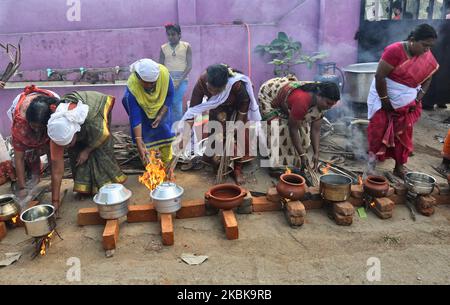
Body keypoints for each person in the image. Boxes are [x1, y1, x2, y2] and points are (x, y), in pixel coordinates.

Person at [367, 24, 439, 179]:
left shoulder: (425, 54)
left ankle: (399, 166)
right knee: (378, 130)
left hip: (408, 102)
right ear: (412, 40)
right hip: (383, 96)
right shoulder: (394, 50)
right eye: (424, 45)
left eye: (430, 46)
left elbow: (428, 77)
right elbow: (380, 76)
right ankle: (371, 165)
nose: (427, 50)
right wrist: (384, 99)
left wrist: (419, 97)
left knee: (404, 133)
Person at [180, 64, 261, 185]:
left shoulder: (236, 85)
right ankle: (218, 167)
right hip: (217, 110)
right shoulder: (202, 82)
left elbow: (244, 105)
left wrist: (235, 128)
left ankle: (237, 170)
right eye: (211, 89)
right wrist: (185, 137)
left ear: (225, 85)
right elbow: (193, 110)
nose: (213, 93)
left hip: (236, 110)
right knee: (216, 137)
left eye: (218, 91)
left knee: (238, 136)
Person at [47, 91, 127, 209]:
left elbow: (103, 135)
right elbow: (57, 172)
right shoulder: (57, 133)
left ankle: (105, 187)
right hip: (76, 121)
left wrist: (87, 151)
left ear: (75, 131)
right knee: (74, 152)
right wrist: (55, 202)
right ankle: (84, 188)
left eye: (68, 143)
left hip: (97, 107)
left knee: (100, 151)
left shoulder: (92, 121)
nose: (66, 147)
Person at [259, 77, 340, 170]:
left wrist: (316, 153)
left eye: (333, 105)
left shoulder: (323, 100)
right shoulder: (302, 100)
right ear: (319, 96)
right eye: (328, 103)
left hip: (292, 100)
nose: (330, 107)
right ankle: (276, 165)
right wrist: (302, 154)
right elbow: (293, 129)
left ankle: (293, 163)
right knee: (279, 130)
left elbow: (316, 130)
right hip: (270, 93)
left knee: (303, 137)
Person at [8, 85, 60, 197]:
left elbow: (53, 156)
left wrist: (54, 182)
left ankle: (51, 178)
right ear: (28, 120)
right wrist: (22, 188)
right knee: (28, 153)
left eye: (40, 127)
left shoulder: (54, 119)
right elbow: (19, 158)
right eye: (33, 126)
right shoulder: (20, 124)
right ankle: (32, 177)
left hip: (48, 117)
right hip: (24, 119)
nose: (36, 130)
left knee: (50, 151)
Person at [122, 58, 175, 165]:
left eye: (153, 83)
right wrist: (139, 141)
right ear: (138, 78)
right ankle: (151, 167)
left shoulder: (164, 75)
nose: (151, 86)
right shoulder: (133, 88)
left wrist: (160, 115)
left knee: (165, 134)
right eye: (147, 83)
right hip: (143, 115)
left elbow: (170, 95)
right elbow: (135, 117)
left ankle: (167, 164)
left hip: (162, 110)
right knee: (146, 141)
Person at [159, 23, 192, 123]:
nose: (170, 37)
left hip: (182, 79)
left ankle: (177, 128)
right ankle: (170, 127)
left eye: (173, 34)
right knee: (168, 103)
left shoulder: (186, 46)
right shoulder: (163, 48)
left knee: (176, 102)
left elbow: (189, 66)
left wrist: (179, 80)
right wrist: (169, 80)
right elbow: (161, 66)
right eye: (168, 34)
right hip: (167, 79)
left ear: (179, 35)